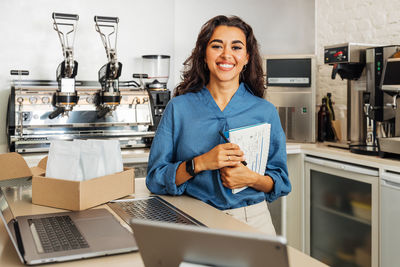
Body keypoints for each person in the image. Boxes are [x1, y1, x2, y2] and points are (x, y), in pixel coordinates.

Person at [146, 15, 291, 235]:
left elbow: (280, 182)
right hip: (192, 217)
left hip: (253, 221)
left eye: (236, 47)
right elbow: (155, 179)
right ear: (204, 54)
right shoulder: (179, 108)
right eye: (217, 46)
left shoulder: (265, 111)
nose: (226, 55)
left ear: (246, 57)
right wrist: (199, 163)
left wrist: (250, 178)